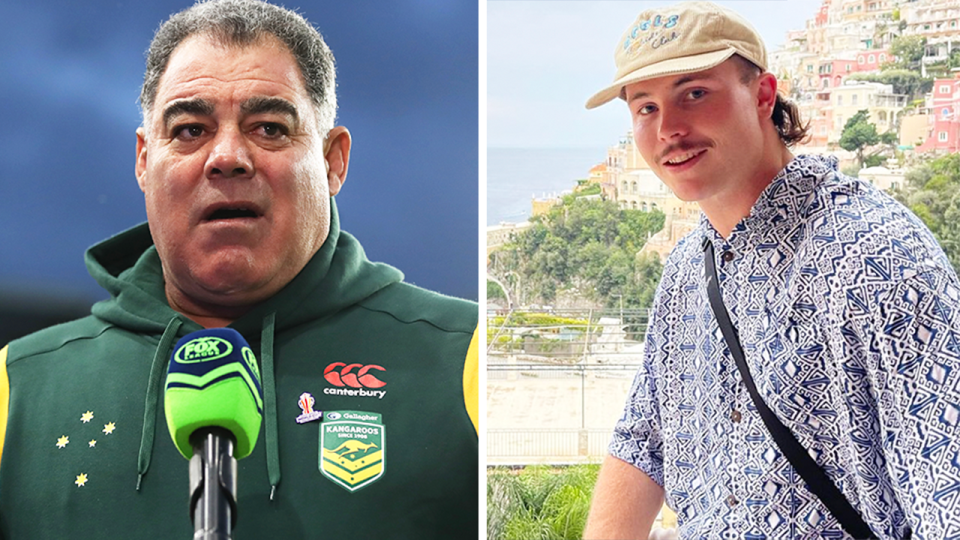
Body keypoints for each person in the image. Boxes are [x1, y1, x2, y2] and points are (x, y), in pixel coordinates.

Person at [0, 1, 479, 538]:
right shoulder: (18, 388)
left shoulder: (465, 358)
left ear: (332, 161)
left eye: (270, 127)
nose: (227, 156)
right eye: (188, 130)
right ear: (142, 160)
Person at [582, 2, 960, 539]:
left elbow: (946, 493)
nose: (669, 128)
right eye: (645, 107)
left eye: (694, 93)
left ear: (762, 96)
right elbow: (645, 439)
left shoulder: (875, 253)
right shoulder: (688, 269)